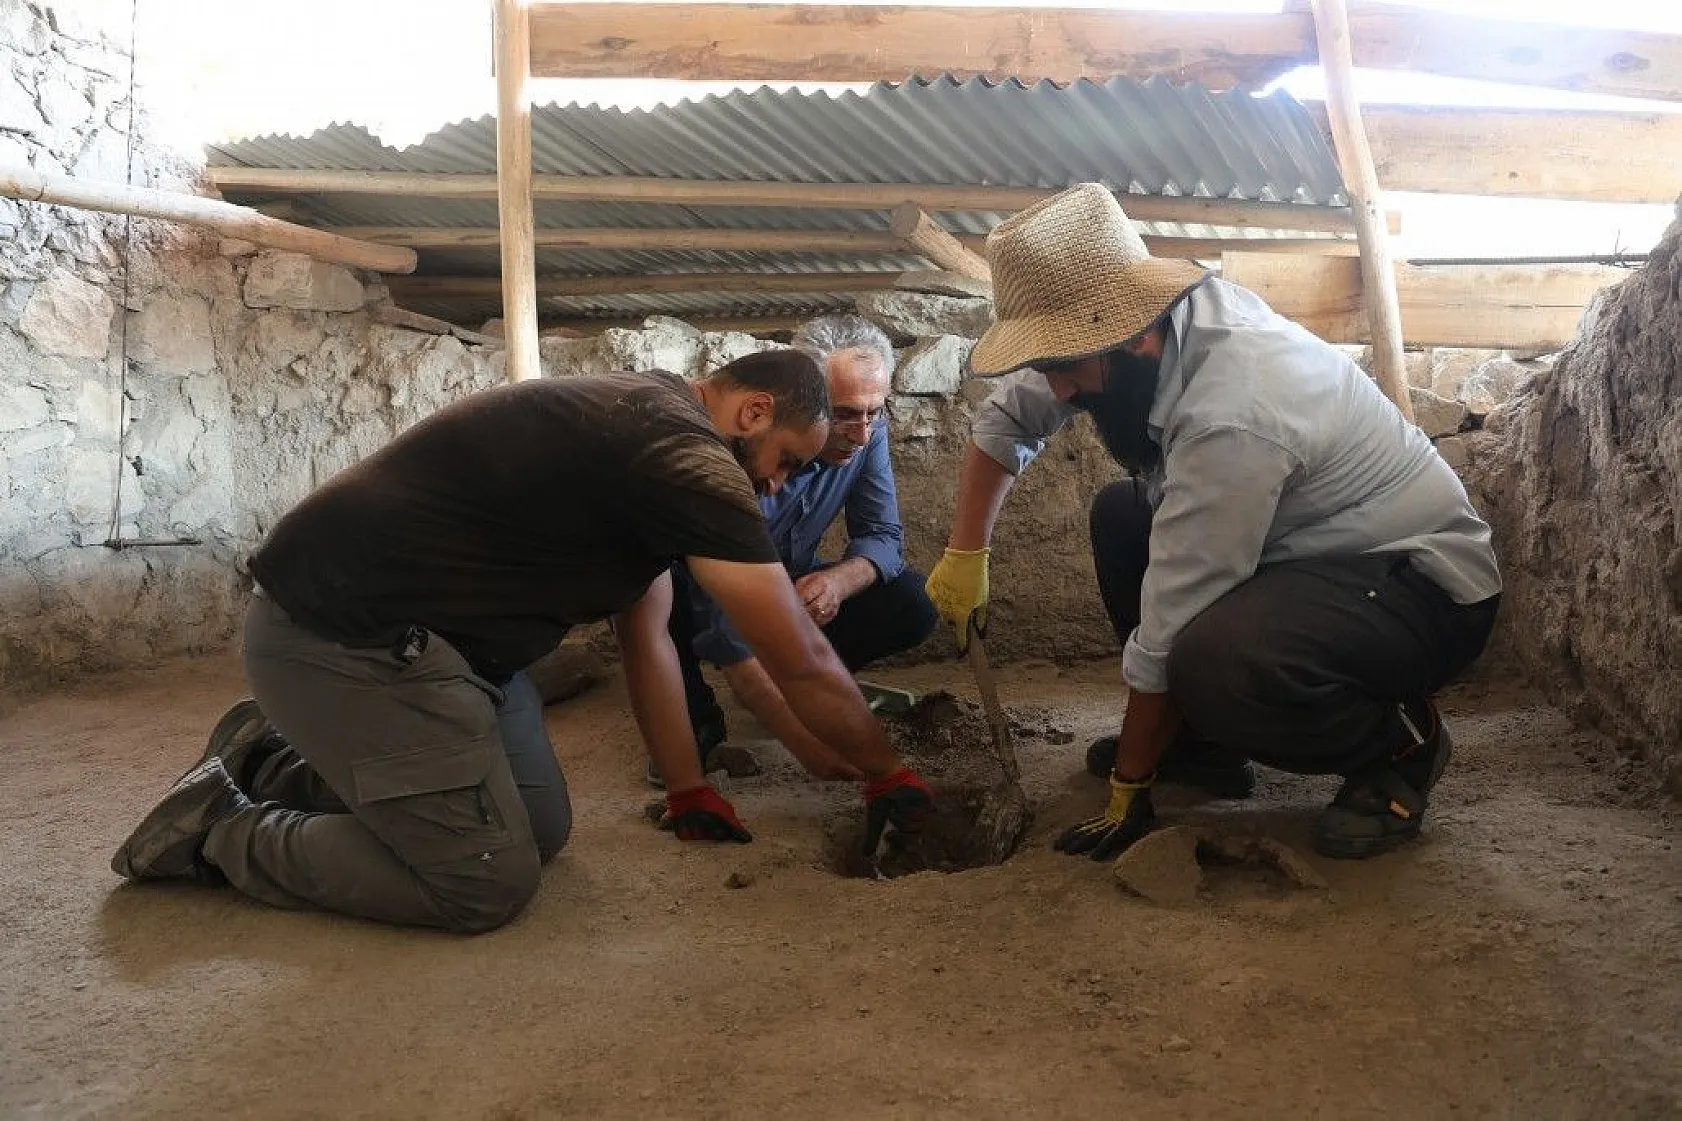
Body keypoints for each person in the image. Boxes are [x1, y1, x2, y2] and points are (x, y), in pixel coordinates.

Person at [111, 351, 935, 932]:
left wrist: (687, 786)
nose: (779, 485)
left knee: (539, 829)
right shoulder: (681, 452)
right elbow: (795, 651)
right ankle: (221, 828)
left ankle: (269, 758)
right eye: (785, 460)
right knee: (481, 883)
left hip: (452, 654)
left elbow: (647, 635)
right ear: (752, 411)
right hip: (345, 633)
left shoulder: (652, 429)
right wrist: (885, 770)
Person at [924, 183, 1502, 862]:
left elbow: (1169, 623)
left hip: (1418, 587)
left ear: (1132, 335)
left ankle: (1402, 744)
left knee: (1213, 659)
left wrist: (1128, 789)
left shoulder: (1234, 406)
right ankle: (1202, 747)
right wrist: (967, 550)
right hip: (1316, 555)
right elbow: (1008, 419)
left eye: (1065, 368)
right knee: (1121, 515)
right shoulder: (1135, 332)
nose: (1057, 390)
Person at [655, 315, 938, 786]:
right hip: (707, 586)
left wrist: (837, 582)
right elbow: (723, 609)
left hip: (785, 588)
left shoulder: (867, 437)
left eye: (875, 411)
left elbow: (885, 538)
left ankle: (807, 688)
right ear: (802, 403)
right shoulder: (738, 451)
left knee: (911, 600)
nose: (862, 432)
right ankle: (692, 719)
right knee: (663, 589)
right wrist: (805, 744)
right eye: (845, 413)